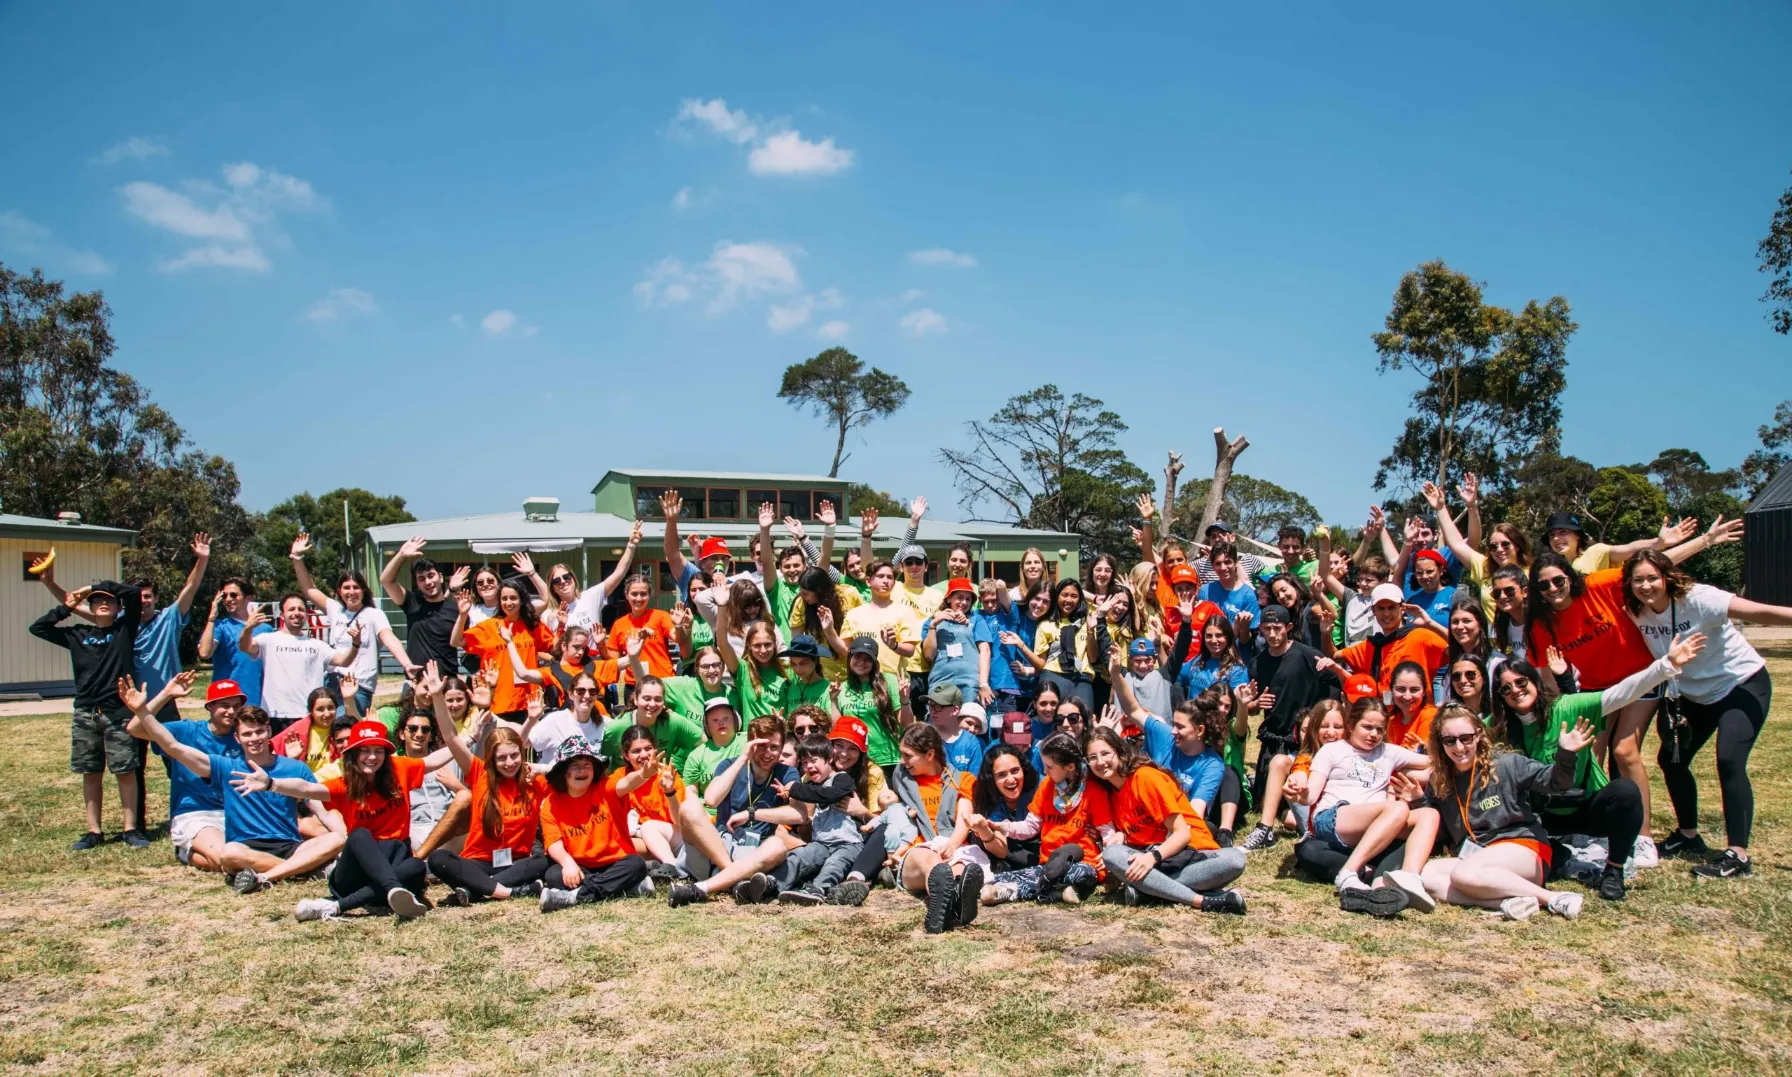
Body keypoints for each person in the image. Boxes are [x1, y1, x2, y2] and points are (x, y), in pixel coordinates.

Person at [1623, 549, 1792, 879]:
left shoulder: (1700, 599)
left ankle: (1738, 854)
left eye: (1652, 578)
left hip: (1740, 684)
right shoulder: (1636, 611)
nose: (1645, 586)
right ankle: (1688, 835)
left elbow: (1761, 611)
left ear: (1667, 576)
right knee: (1672, 760)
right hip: (1693, 696)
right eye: (1638, 579)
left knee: (1729, 760)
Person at [1490, 641, 1694, 902]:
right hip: (1541, 817)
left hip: (1587, 807)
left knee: (1626, 792)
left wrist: (1665, 666)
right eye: (1506, 688)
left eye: (1521, 682)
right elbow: (1463, 738)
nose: (1515, 691)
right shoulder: (1497, 727)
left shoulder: (1568, 707)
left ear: (1535, 681)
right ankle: (1557, 853)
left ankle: (1614, 870)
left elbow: (1622, 692)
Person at [120, 686, 346, 893]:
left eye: (259, 732)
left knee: (336, 838)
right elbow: (173, 746)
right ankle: (307, 869)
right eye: (247, 734)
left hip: (289, 845)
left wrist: (347, 840)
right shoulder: (226, 767)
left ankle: (269, 875)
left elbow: (322, 812)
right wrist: (142, 710)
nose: (254, 738)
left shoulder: (295, 767)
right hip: (246, 849)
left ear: (269, 731)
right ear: (237, 738)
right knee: (228, 854)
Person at [1421, 706, 1596, 921]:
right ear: (1440, 743)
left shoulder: (1505, 764)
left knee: (1463, 874)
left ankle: (1553, 897)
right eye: (1449, 740)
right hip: (1476, 857)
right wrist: (1415, 800)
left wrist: (1566, 754)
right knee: (1428, 876)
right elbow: (1438, 832)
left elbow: (1556, 782)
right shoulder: (1440, 781)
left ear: (1478, 735)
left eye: (1466, 738)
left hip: (1523, 848)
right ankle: (1510, 902)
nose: (1459, 747)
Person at [31, 579, 147, 848]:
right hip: (86, 713)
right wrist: (66, 608)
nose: (103, 603)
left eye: (108, 600)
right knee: (91, 772)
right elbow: (38, 628)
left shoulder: (124, 631)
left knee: (125, 771)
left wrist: (90, 587)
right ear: (91, 608)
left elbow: (132, 593)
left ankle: (130, 829)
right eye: (96, 600)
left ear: (119, 608)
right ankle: (94, 832)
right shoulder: (77, 635)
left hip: (118, 713)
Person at [1300, 698, 1440, 915]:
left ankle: (1409, 877)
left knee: (1429, 815)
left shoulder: (1389, 752)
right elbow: (1311, 794)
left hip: (1375, 824)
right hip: (1334, 819)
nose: (1373, 735)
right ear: (1351, 726)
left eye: (1379, 730)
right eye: (1367, 727)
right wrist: (1301, 792)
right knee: (1397, 808)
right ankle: (1348, 872)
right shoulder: (1333, 751)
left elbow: (1432, 762)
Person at [1085, 728, 1246, 913]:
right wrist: (1122, 837)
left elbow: (1183, 834)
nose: (1100, 762)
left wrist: (1152, 858)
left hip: (1193, 855)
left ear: (1120, 751)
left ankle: (1149, 892)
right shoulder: (1109, 795)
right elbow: (1141, 837)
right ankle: (1201, 900)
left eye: (1105, 753)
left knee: (1234, 859)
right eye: (1092, 757)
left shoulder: (1145, 778)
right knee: (1112, 854)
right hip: (1156, 862)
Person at [667, 717, 808, 907]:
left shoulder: (787, 773)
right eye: (761, 746)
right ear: (749, 744)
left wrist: (754, 814)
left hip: (752, 852)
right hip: (716, 848)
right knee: (689, 806)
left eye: (774, 747)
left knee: (777, 846)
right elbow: (711, 798)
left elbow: (800, 815)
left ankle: (703, 888)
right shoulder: (730, 765)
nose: (768, 754)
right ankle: (733, 878)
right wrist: (742, 759)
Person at [1238, 604, 1340, 846]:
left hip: (1305, 743)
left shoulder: (1308, 655)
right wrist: (1254, 704)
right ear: (1260, 629)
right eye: (1266, 629)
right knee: (1265, 804)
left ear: (1289, 628)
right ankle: (1272, 825)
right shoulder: (1257, 664)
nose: (1272, 634)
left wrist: (1318, 723)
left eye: (1277, 628)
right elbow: (1250, 706)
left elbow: (1334, 688)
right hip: (1273, 742)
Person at [426, 720, 552, 905]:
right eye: (501, 758)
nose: (509, 763)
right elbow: (451, 737)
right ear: (491, 758)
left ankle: (474, 890)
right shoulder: (480, 774)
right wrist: (437, 695)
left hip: (516, 862)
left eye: (514, 755)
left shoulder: (534, 781)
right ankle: (509, 891)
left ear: (522, 754)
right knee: (439, 859)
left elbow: (574, 774)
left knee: (544, 860)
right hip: (478, 863)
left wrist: (543, 768)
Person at [124, 672, 242, 870]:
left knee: (233, 857)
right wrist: (166, 694)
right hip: (196, 813)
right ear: (210, 706)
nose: (232, 711)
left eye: (237, 706)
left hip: (234, 811)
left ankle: (189, 854)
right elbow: (135, 728)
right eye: (225, 705)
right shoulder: (185, 731)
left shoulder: (244, 737)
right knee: (227, 856)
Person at [289, 532, 415, 714]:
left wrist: (407, 664)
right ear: (339, 591)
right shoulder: (335, 609)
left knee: (345, 725)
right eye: (346, 588)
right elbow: (309, 589)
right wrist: (297, 558)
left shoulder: (374, 614)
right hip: (332, 681)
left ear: (364, 591)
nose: (351, 592)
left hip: (359, 686)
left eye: (356, 587)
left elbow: (390, 639)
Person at [981, 734, 1105, 907]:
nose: (1044, 771)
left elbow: (1107, 831)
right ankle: (1059, 891)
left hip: (1084, 861)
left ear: (1069, 766)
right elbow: (1030, 826)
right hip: (1049, 864)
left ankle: (1011, 891)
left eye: (1049, 766)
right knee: (998, 877)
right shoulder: (1047, 786)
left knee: (1080, 873)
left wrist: (1107, 856)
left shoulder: (1094, 791)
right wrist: (1003, 827)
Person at [888, 723, 985, 934]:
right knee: (931, 861)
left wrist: (951, 845)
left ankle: (954, 899)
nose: (903, 761)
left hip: (954, 846)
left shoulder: (962, 779)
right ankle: (946, 898)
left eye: (908, 756)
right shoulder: (901, 778)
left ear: (930, 754)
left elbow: (964, 817)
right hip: (918, 850)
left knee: (960, 867)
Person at [536, 737, 652, 912]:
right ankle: (628, 888)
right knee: (553, 874)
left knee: (636, 864)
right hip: (581, 867)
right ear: (563, 771)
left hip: (616, 862)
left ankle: (574, 897)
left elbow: (626, 782)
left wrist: (643, 774)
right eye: (574, 765)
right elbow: (553, 843)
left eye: (587, 764)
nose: (582, 770)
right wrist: (567, 863)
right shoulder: (550, 804)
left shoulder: (605, 788)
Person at [772, 733, 870, 906]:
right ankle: (772, 884)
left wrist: (794, 788)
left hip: (848, 843)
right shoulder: (810, 786)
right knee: (800, 856)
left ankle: (817, 890)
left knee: (834, 865)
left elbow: (828, 795)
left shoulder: (842, 779)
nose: (808, 766)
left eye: (814, 760)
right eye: (804, 762)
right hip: (822, 844)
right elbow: (808, 794)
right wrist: (788, 793)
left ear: (830, 758)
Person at [239, 594, 358, 722]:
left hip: (308, 715)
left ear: (306, 615)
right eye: (291, 609)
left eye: (301, 609)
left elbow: (343, 661)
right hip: (276, 714)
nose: (297, 613)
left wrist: (356, 644)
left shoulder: (317, 645)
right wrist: (248, 628)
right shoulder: (268, 639)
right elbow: (245, 647)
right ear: (282, 615)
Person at [1427, 476, 1529, 622]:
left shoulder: (1532, 572)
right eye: (1493, 546)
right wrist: (1442, 508)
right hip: (1495, 643)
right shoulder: (1485, 568)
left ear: (1517, 545)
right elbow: (1456, 544)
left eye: (1505, 544)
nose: (1499, 549)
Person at [456, 580, 554, 722]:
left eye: (513, 598)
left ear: (521, 600)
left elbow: (554, 647)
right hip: (499, 701)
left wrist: (562, 626)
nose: (509, 602)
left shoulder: (533, 625)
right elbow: (456, 641)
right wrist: (462, 615)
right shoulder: (490, 626)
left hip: (530, 702)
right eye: (504, 598)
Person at [1329, 583, 1449, 697]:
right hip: (1382, 716)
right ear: (1373, 611)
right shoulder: (1370, 646)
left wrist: (1430, 623)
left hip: (1419, 716)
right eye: (1381, 608)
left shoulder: (1421, 637)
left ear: (1402, 608)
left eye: (1392, 607)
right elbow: (1333, 655)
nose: (1386, 614)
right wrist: (1326, 633)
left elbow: (1460, 649)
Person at [379, 537, 472, 681]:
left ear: (440, 577)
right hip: (417, 681)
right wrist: (401, 555)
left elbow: (466, 643)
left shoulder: (457, 609)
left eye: (431, 576)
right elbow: (386, 580)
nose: (428, 582)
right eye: (421, 578)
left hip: (447, 681)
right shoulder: (412, 603)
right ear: (417, 583)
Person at [827, 635, 907, 781]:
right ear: (850, 657)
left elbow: (906, 724)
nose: (861, 662)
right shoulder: (842, 688)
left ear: (874, 662)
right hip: (855, 761)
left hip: (887, 759)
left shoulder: (888, 681)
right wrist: (834, 700)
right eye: (857, 656)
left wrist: (904, 700)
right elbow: (837, 728)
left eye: (867, 658)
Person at [598, 676, 705, 772]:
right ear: (636, 699)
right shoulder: (617, 727)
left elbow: (704, 742)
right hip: (623, 786)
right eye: (647, 698)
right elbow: (600, 764)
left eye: (658, 699)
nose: (652, 704)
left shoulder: (672, 722)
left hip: (658, 785)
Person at [839, 559, 921, 680]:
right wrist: (829, 630)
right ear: (868, 581)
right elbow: (846, 651)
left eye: (890, 577)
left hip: (894, 682)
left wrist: (894, 645)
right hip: (861, 681)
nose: (885, 581)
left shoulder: (905, 611)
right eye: (880, 576)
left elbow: (910, 651)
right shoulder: (853, 614)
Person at [966, 744, 1041, 871]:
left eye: (1015, 771)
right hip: (1009, 856)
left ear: (1024, 769)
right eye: (1001, 775)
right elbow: (1002, 851)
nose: (1011, 780)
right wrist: (984, 831)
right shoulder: (989, 799)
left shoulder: (1041, 788)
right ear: (992, 779)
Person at [922, 578, 983, 703]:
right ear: (949, 598)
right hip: (941, 681)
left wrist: (984, 684)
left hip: (969, 683)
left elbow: (985, 651)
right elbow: (928, 656)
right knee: (939, 719)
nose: (964, 602)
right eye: (959, 597)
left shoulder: (976, 620)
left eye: (968, 599)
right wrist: (934, 625)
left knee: (967, 720)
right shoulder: (931, 622)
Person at [1197, 543, 1260, 661]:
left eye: (1227, 562)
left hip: (1236, 658)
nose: (1223, 567)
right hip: (1208, 657)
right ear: (1212, 566)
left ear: (1236, 563)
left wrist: (1244, 628)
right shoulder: (1205, 591)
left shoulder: (1248, 595)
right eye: (1218, 563)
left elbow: (1247, 639)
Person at [922, 683, 986, 775]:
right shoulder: (924, 737)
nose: (933, 711)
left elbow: (974, 780)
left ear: (955, 710)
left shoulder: (971, 742)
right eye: (931, 706)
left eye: (938, 707)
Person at [1385, 661, 1438, 750]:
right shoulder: (1392, 721)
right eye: (1401, 689)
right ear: (1391, 690)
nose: (1407, 696)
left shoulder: (1430, 716)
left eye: (1414, 690)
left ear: (1424, 692)